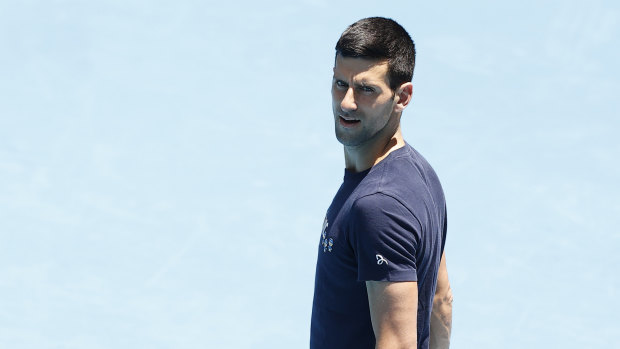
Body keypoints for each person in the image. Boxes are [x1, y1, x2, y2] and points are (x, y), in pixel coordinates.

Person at [310, 17, 453, 349]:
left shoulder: (378, 206)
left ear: (402, 97)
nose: (346, 102)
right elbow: (440, 301)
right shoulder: (422, 175)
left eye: (366, 89)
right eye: (340, 83)